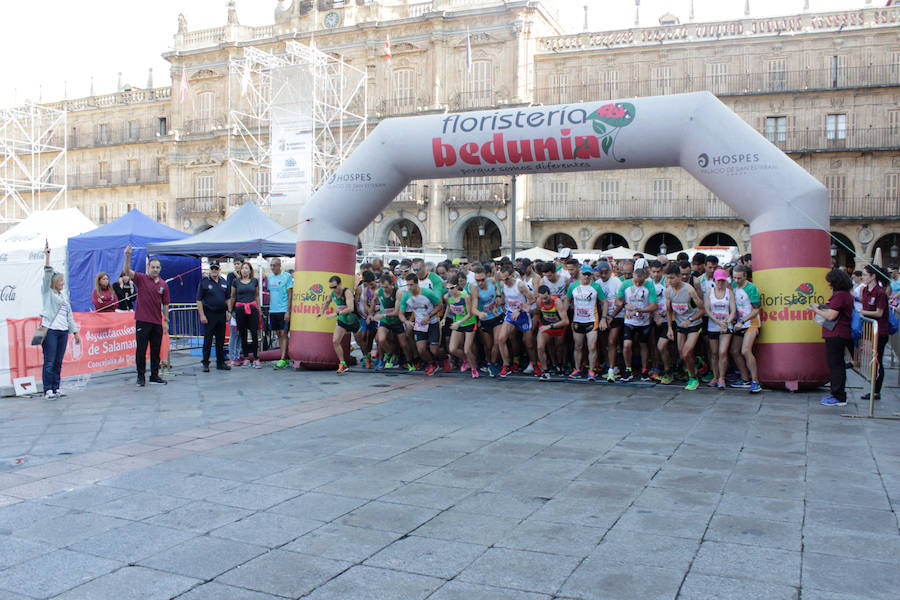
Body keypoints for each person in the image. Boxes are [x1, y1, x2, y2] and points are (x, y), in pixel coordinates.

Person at [123, 245, 169, 386]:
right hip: (143, 321)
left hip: (156, 322)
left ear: (160, 269)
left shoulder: (163, 285)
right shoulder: (141, 279)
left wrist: (166, 321)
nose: (155, 269)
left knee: (156, 350)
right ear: (148, 267)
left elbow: (166, 304)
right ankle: (140, 376)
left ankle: (154, 375)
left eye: (157, 267)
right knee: (141, 350)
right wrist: (128, 256)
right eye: (153, 267)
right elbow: (126, 271)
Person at [808, 268, 854, 406]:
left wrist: (815, 310)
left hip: (837, 333)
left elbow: (831, 315)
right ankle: (837, 394)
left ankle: (838, 395)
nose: (828, 284)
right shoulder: (844, 295)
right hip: (838, 333)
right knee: (837, 364)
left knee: (836, 365)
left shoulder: (840, 296)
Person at [40, 244, 80, 399]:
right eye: (61, 280)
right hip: (50, 330)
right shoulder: (48, 293)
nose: (63, 283)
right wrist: (48, 257)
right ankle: (47, 389)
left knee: (58, 361)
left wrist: (75, 332)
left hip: (63, 331)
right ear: (55, 281)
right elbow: (46, 275)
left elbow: (69, 316)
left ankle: (56, 387)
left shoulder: (63, 297)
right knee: (49, 361)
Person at [665, 263, 705, 391]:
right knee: (683, 355)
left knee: (687, 352)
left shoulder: (689, 290)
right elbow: (668, 310)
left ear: (679, 277)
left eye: (672, 278)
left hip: (694, 324)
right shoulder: (668, 290)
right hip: (680, 325)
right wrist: (670, 328)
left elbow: (703, 310)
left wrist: (690, 320)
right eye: (667, 278)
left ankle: (693, 378)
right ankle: (698, 362)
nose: (669, 281)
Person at [617, 266, 658, 382]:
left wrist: (639, 311)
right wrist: (625, 306)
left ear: (645, 278)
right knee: (627, 345)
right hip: (629, 321)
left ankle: (644, 370)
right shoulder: (625, 284)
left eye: (641, 282)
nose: (638, 284)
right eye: (636, 282)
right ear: (633, 277)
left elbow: (654, 305)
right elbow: (618, 300)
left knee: (643, 345)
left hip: (644, 321)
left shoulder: (649, 285)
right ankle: (628, 369)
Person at [567, 264, 608, 380]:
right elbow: (567, 300)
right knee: (578, 346)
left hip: (592, 320)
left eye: (588, 274)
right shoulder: (573, 286)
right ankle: (577, 369)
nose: (586, 276)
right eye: (584, 274)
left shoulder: (596, 287)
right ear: (580, 274)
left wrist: (603, 318)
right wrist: (563, 315)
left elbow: (604, 302)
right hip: (577, 320)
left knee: (592, 346)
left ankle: (591, 371)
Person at [496, 265, 537, 378]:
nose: (505, 282)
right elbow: (505, 298)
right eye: (502, 279)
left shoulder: (520, 284)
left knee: (529, 344)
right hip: (510, 313)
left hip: (523, 314)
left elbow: (532, 299)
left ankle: (535, 364)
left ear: (512, 275)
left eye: (506, 279)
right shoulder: (502, 284)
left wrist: (520, 310)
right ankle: (506, 366)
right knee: (501, 339)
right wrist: (499, 303)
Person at [399, 273, 444, 375]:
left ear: (417, 284)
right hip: (420, 325)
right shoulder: (406, 295)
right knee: (421, 349)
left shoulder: (427, 293)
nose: (409, 288)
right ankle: (432, 364)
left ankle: (445, 357)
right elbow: (400, 313)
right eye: (407, 285)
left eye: (411, 285)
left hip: (432, 323)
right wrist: (406, 322)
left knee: (434, 350)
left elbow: (439, 305)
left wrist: (429, 315)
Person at [858, 264, 891, 401]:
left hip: (880, 331)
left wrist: (861, 312)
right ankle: (873, 388)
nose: (863, 277)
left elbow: (879, 312)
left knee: (877, 360)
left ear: (873, 276)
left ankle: (876, 391)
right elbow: (864, 303)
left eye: (865, 275)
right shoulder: (865, 290)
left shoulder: (880, 292)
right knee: (872, 360)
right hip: (869, 331)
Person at [730, 265, 762, 393]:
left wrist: (743, 321)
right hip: (738, 323)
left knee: (746, 350)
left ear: (745, 276)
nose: (736, 280)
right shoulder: (733, 286)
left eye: (739, 278)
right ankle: (745, 378)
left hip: (751, 323)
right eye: (734, 278)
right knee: (734, 351)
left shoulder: (751, 288)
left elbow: (756, 309)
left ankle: (755, 382)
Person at [317, 275, 358, 374]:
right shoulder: (332, 294)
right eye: (331, 287)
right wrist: (321, 312)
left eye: (335, 287)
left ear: (340, 284)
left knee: (362, 342)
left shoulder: (346, 292)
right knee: (335, 341)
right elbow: (327, 302)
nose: (334, 289)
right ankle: (343, 364)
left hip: (354, 320)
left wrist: (335, 314)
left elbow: (350, 308)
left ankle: (368, 357)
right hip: (342, 320)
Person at [196, 261, 232, 373]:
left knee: (221, 340)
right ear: (209, 270)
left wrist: (229, 311)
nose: (214, 270)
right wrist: (202, 315)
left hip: (221, 314)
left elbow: (228, 298)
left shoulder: (224, 282)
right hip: (209, 315)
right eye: (212, 268)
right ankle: (205, 363)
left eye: (216, 268)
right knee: (208, 340)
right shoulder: (204, 282)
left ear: (219, 269)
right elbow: (198, 300)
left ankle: (220, 362)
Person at [705, 269, 736, 389]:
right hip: (713, 325)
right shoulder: (709, 292)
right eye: (719, 281)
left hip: (726, 326)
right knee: (714, 353)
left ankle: (722, 377)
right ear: (714, 281)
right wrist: (718, 322)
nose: (721, 283)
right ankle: (715, 376)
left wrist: (727, 323)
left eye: (723, 281)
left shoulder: (729, 293)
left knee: (723, 352)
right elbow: (707, 310)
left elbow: (733, 310)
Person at [444, 274, 479, 378]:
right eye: (447, 288)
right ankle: (466, 360)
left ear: (457, 286)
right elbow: (448, 307)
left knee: (467, 349)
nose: (450, 290)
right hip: (457, 323)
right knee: (452, 349)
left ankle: (473, 368)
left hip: (469, 323)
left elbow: (469, 314)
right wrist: (444, 318)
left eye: (452, 288)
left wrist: (458, 323)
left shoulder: (465, 296)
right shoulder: (447, 297)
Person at [372, 274, 410, 371]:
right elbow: (373, 301)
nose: (384, 289)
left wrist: (382, 315)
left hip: (396, 320)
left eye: (386, 287)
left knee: (404, 344)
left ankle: (409, 362)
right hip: (385, 320)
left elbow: (397, 312)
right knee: (380, 339)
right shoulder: (378, 292)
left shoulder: (398, 292)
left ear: (392, 285)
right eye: (382, 287)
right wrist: (370, 314)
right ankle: (387, 357)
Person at [229, 262, 262, 369]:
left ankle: (256, 358)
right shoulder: (235, 281)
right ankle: (246, 358)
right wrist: (230, 311)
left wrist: (259, 309)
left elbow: (257, 295)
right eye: (243, 268)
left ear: (250, 270)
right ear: (240, 270)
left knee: (254, 333)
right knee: (242, 334)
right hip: (240, 309)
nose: (244, 270)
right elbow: (233, 296)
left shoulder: (254, 281)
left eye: (246, 268)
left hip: (252, 309)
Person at [535, 284, 569, 380]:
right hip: (545, 326)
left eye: (546, 298)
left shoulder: (557, 302)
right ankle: (545, 372)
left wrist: (550, 326)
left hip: (557, 326)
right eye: (542, 298)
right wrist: (529, 310)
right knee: (540, 347)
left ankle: (560, 365)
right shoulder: (539, 301)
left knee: (559, 347)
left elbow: (566, 321)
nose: (544, 301)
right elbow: (538, 312)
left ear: (550, 294)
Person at [267, 257, 293, 369]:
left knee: (284, 333)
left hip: (283, 310)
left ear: (279, 265)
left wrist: (288, 311)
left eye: (274, 265)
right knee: (278, 334)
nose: (272, 267)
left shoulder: (286, 276)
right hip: (273, 310)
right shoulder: (270, 278)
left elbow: (290, 294)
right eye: (271, 265)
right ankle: (285, 358)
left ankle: (283, 358)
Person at [226, 256, 245, 366]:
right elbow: (230, 292)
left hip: (243, 308)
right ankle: (232, 356)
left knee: (240, 334)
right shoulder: (231, 276)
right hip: (234, 309)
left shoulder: (246, 276)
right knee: (234, 334)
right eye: (235, 264)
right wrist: (229, 310)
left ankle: (238, 355)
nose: (236, 266)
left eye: (238, 264)